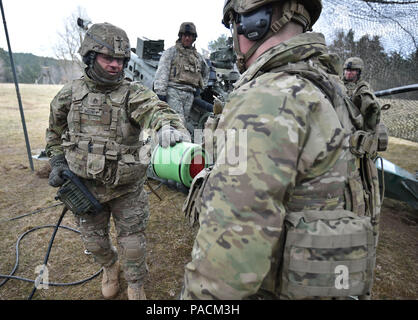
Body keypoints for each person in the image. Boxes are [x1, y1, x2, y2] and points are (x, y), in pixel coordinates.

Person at [181, 0, 382, 300]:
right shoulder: (331, 91)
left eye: (233, 25)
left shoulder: (267, 98)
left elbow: (226, 269)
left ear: (251, 23)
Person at [45, 22, 189, 300]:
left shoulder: (132, 93)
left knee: (133, 244)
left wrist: (167, 127)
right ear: (90, 56)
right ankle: (110, 268)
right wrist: (58, 162)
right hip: (85, 187)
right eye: (108, 57)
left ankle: (136, 283)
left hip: (126, 188)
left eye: (120, 59)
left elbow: (155, 109)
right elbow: (53, 132)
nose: (115, 65)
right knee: (95, 243)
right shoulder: (69, 94)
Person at [153, 22, 209, 134]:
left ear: (194, 38)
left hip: (189, 94)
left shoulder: (197, 57)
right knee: (179, 122)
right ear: (180, 36)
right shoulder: (171, 52)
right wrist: (161, 93)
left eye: (190, 36)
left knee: (185, 121)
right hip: (174, 91)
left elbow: (205, 72)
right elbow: (162, 72)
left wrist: (201, 87)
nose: (187, 38)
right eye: (185, 35)